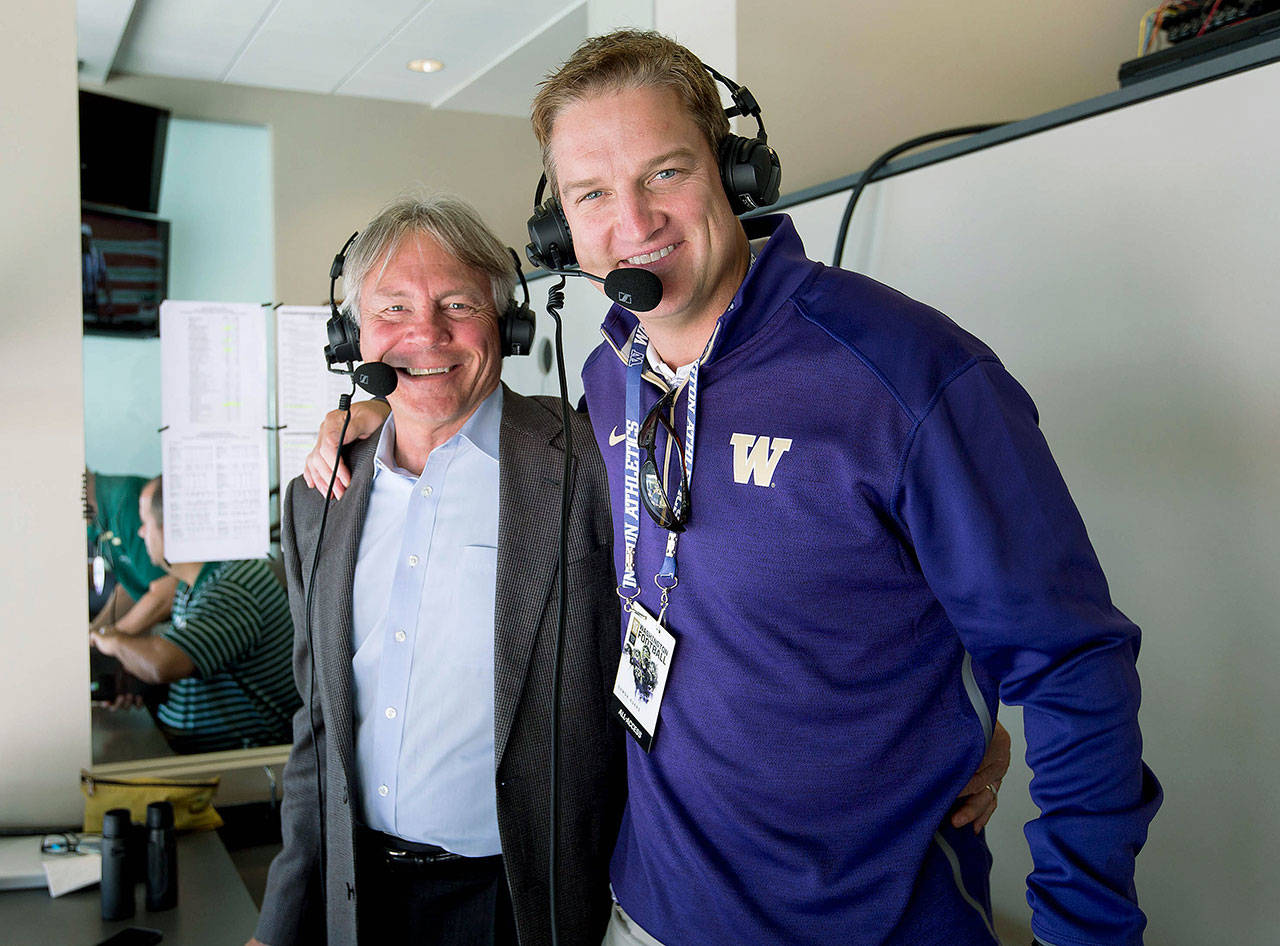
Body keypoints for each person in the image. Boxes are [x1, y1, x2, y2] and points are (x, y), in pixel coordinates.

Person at [524, 29, 1161, 946]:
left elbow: (1071, 665)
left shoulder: (908, 373)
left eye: (665, 172)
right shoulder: (607, 371)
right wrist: (386, 421)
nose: (634, 222)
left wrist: (1087, 932)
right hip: (650, 911)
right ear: (561, 230)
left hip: (868, 923)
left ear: (735, 174)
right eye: (591, 194)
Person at [249, 195, 625, 946]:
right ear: (352, 335)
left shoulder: (592, 467)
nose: (426, 334)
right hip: (359, 904)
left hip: (525, 905)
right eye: (392, 308)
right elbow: (316, 729)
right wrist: (279, 921)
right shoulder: (316, 500)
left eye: (458, 303)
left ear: (508, 326)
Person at [90, 475, 300, 753]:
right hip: (192, 744)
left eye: (145, 523)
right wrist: (135, 681)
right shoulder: (193, 585)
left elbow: (163, 664)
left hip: (237, 761)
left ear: (173, 529)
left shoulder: (235, 585)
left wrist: (115, 641)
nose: (141, 533)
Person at [85, 469, 175, 637]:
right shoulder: (94, 521)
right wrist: (95, 632)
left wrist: (113, 637)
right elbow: (132, 587)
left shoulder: (125, 503)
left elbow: (166, 590)